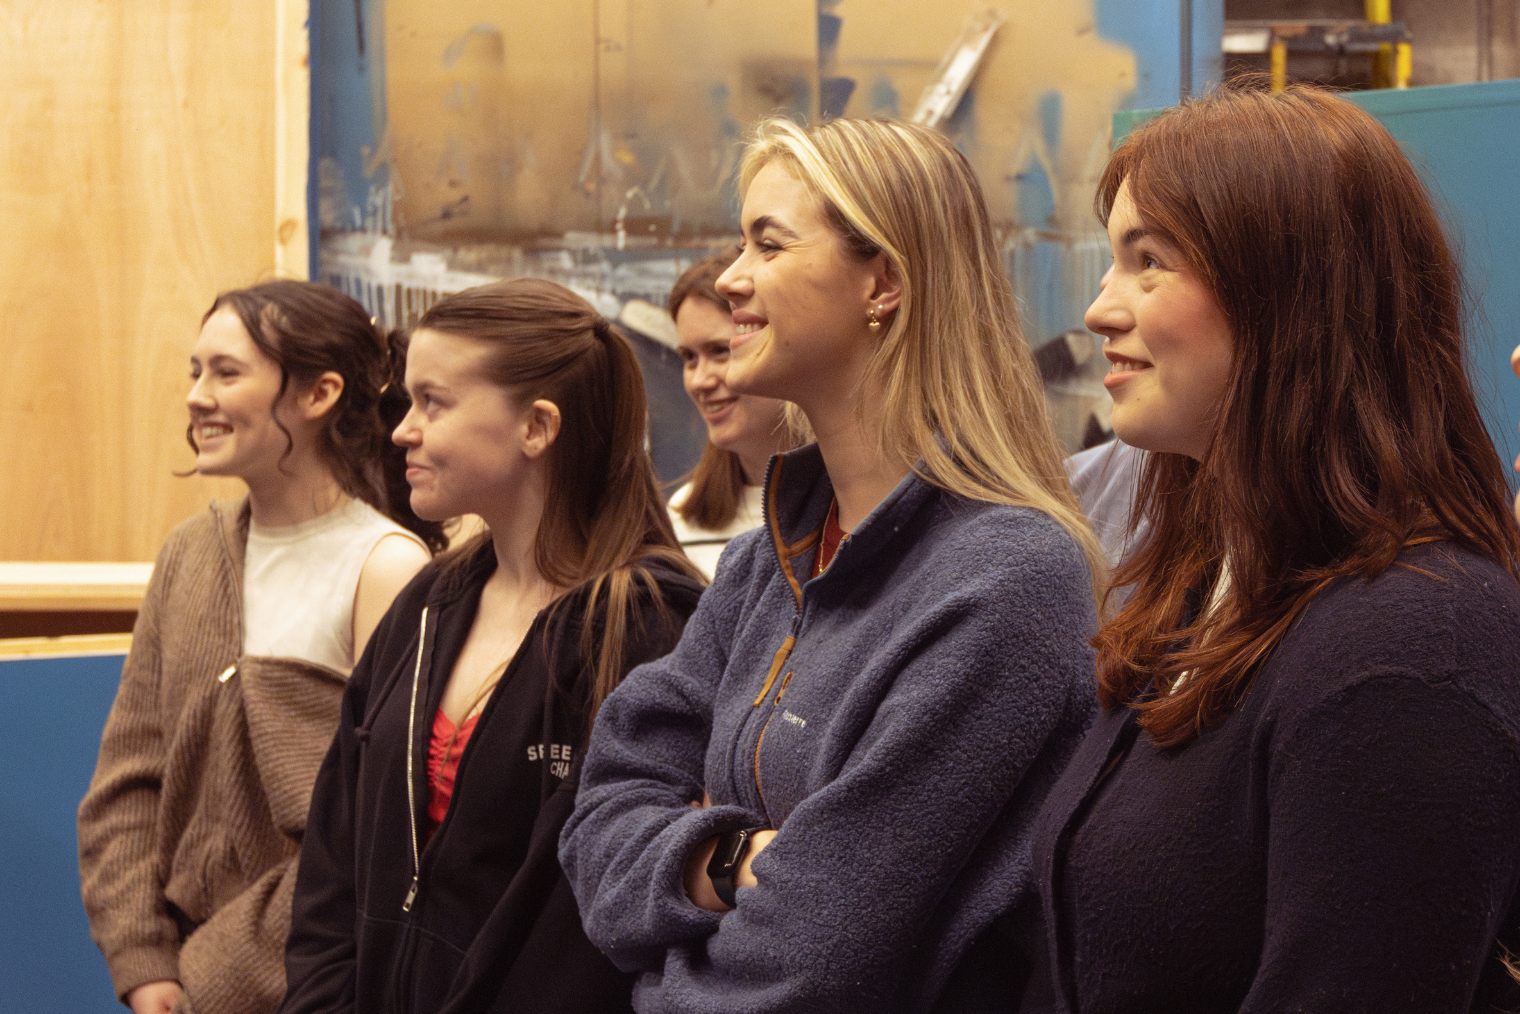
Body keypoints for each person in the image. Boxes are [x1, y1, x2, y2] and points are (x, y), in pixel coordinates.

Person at [559, 116, 1104, 1013]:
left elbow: (815, 957)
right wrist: (736, 859)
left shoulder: (1006, 576)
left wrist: (672, 934)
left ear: (882, 282)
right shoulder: (765, 564)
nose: (731, 279)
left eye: (767, 243)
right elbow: (599, 827)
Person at [1014, 83, 1520, 1013]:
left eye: (1149, 262)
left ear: (1288, 295)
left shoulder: (1411, 645)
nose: (1098, 311)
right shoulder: (1212, 584)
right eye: (1110, 262)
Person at [279, 278, 706, 1014]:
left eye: (433, 403)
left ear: (537, 427)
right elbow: (332, 859)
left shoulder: (651, 631)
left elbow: (589, 936)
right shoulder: (428, 603)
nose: (402, 430)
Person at [79, 280, 439, 1014]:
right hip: (174, 981)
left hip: (316, 988)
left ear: (319, 394)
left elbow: (372, 834)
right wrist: (146, 964)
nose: (197, 396)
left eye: (227, 372)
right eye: (194, 371)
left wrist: (214, 978)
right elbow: (126, 786)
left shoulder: (386, 566)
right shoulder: (190, 555)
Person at [666, 246, 798, 578]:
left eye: (720, 351)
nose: (699, 380)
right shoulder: (684, 518)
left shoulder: (847, 503)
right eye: (689, 357)